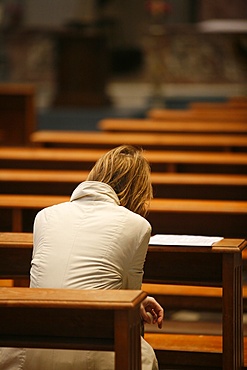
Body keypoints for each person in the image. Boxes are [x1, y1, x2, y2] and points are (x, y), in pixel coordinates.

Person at [0, 145, 164, 370]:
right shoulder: (138, 226)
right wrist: (139, 302)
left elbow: (56, 277)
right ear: (138, 190)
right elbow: (129, 300)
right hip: (97, 347)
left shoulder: (45, 216)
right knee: (144, 356)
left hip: (33, 342)